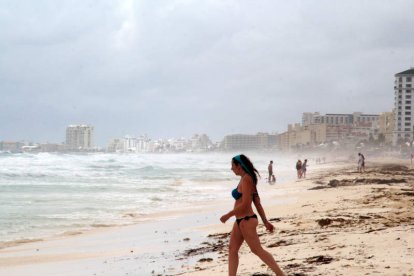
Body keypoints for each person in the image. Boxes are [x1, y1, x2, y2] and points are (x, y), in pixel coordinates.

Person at [220, 154, 285, 276]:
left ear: (239, 165)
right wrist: (265, 222)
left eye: (232, 166)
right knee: (232, 250)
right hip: (241, 220)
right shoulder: (246, 178)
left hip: (246, 220)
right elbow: (258, 203)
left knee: (256, 250)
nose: (231, 168)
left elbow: (245, 204)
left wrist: (228, 214)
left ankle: (280, 274)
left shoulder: (246, 179)